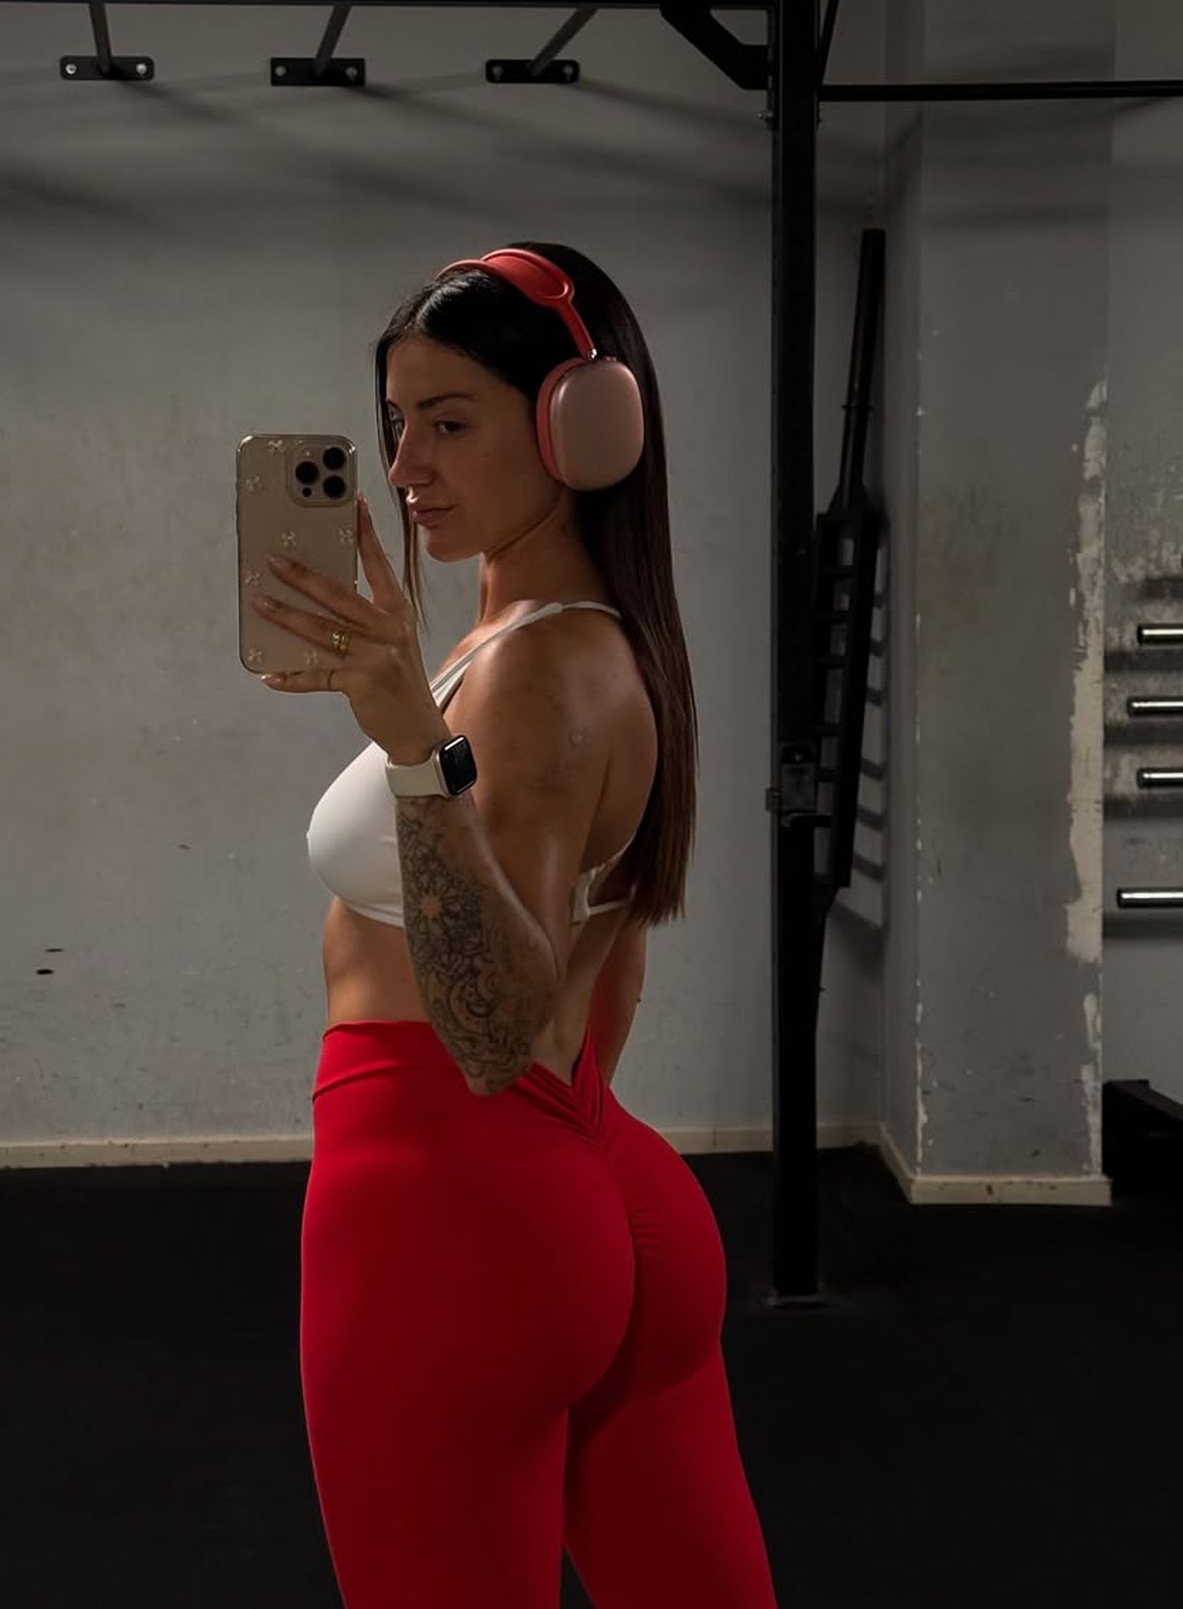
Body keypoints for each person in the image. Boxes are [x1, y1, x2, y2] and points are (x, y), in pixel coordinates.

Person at [259, 244, 778, 1607]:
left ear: (575, 427)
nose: (404, 466)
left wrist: (410, 748)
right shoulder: (586, 639)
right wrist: (569, 1179)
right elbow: (608, 965)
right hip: (592, 1188)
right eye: (394, 424)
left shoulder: (534, 678)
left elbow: (490, 1034)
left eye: (449, 423)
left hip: (445, 1215)